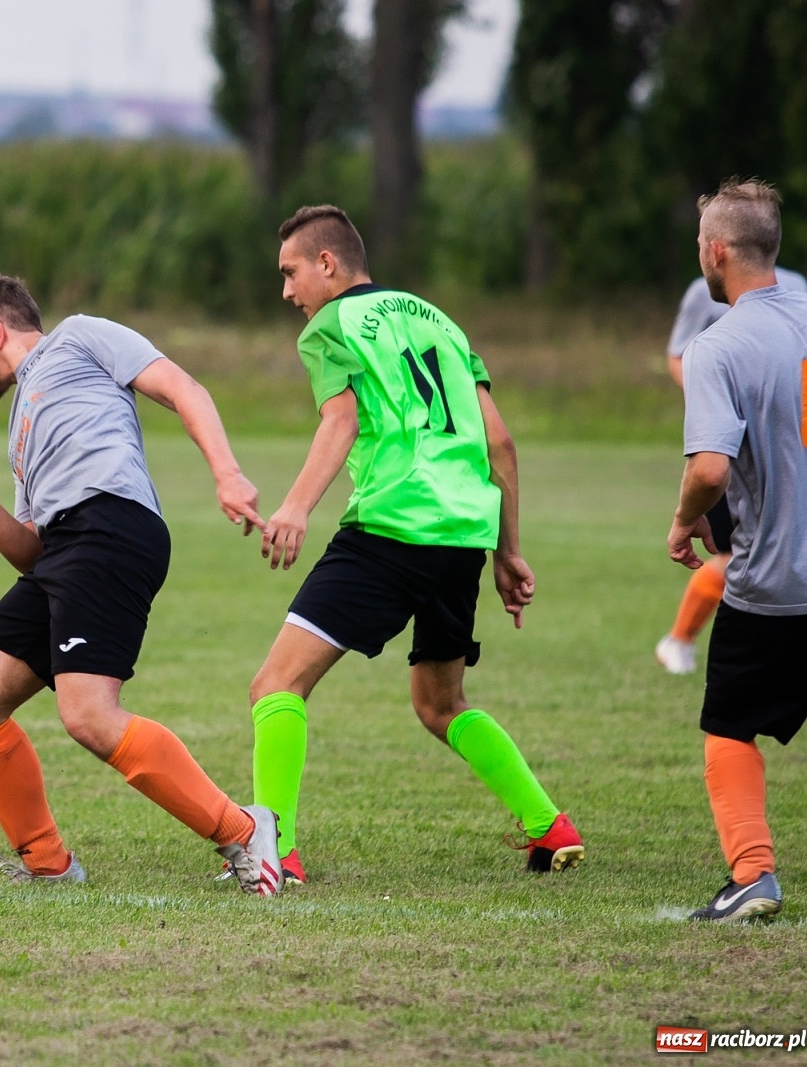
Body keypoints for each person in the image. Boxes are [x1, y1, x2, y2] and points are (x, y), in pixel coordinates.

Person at [244, 206, 584, 885]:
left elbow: (339, 421)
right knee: (439, 702)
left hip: (392, 527)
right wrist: (507, 549)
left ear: (327, 264)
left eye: (290, 273)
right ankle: (551, 827)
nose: (287, 292)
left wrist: (295, 505)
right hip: (462, 535)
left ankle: (271, 853)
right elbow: (501, 444)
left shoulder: (329, 326)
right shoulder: (442, 322)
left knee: (276, 684)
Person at [0, 272, 284, 895]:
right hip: (67, 550)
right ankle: (49, 865)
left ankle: (244, 830)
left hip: (111, 528)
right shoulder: (22, 425)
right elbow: (31, 552)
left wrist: (227, 474)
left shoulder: (79, 338)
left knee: (90, 717)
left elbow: (184, 388)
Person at [667, 179, 807, 921]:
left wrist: (683, 518)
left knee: (728, 722)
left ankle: (753, 873)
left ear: (717, 251)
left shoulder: (718, 345)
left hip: (778, 580)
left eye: (702, 242)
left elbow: (710, 468)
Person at [655, 264, 807, 674]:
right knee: (735, 555)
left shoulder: (798, 290)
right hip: (733, 449)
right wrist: (717, 402)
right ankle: (679, 638)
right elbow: (677, 357)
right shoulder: (700, 293)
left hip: (795, 446)